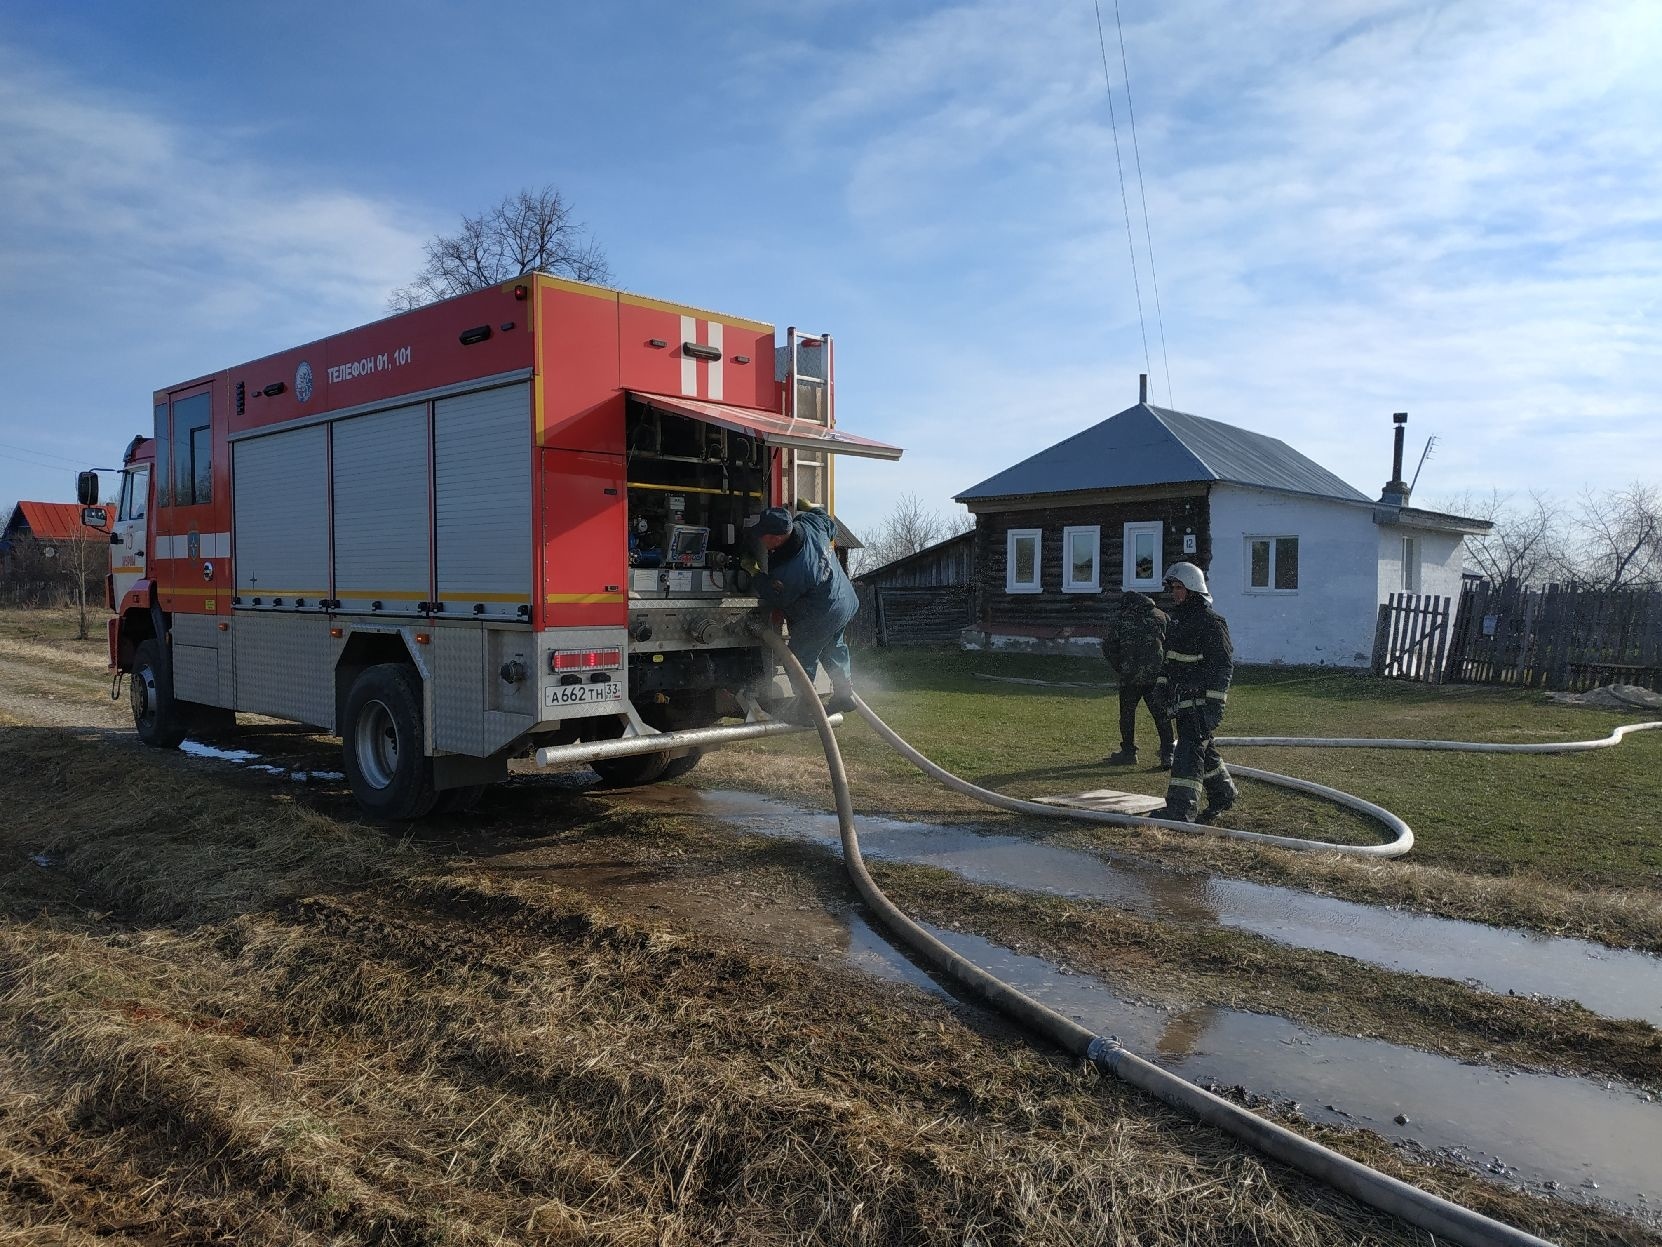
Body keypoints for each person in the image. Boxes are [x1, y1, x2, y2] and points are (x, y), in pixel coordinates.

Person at [749, 502, 859, 721]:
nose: (760, 538)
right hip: (845, 601)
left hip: (823, 612)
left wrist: (755, 573)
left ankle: (806, 708)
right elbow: (828, 521)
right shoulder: (810, 523)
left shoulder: (793, 569)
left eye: (764, 535)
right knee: (834, 648)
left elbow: (779, 597)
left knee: (800, 656)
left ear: (778, 538)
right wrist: (807, 506)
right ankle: (844, 694)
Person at [1147, 562, 1238, 823]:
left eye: (1180, 588)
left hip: (1199, 701)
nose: (1175, 593)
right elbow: (1169, 660)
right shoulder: (1177, 621)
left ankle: (1180, 807)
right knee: (1201, 748)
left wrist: (1215, 704)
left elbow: (1222, 666)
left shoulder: (1212, 623)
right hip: (1181, 699)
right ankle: (1223, 794)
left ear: (1194, 590)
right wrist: (1162, 687)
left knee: (1188, 752)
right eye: (1173, 588)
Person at [1100, 590, 1173, 768]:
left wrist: (1121, 666)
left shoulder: (1121, 619)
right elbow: (1171, 643)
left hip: (1130, 677)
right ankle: (1168, 754)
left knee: (1127, 715)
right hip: (1155, 676)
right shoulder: (1161, 616)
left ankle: (1128, 753)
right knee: (1161, 716)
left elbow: (1108, 646)